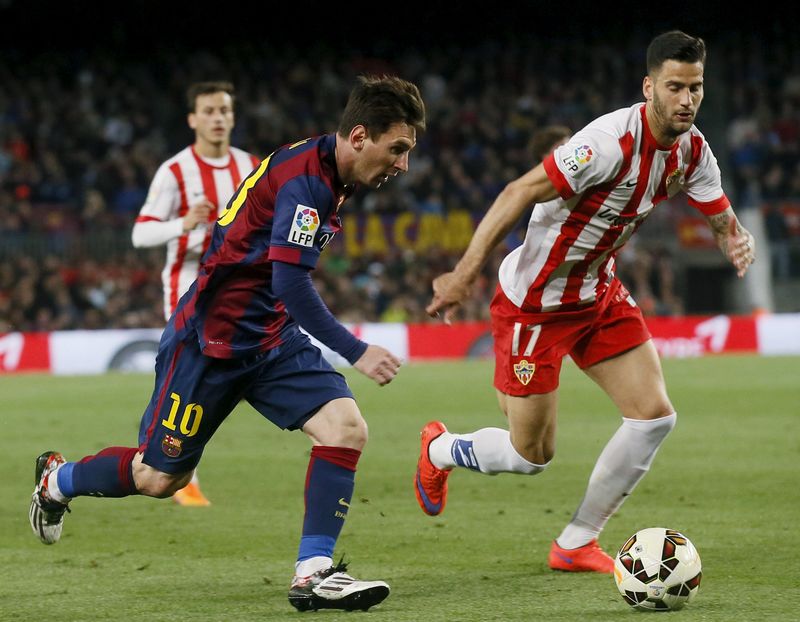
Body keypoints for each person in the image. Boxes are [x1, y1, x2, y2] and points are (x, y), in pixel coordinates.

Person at [30, 74, 426, 612]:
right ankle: (59, 480)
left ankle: (313, 572)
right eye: (397, 148)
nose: (403, 164)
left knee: (345, 428)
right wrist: (357, 350)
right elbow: (290, 281)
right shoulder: (307, 184)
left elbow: (278, 282)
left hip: (270, 338)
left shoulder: (332, 171)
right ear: (360, 135)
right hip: (209, 343)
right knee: (159, 477)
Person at [415, 31, 755, 574]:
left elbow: (717, 209)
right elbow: (517, 192)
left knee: (653, 417)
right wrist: (462, 274)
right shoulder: (605, 142)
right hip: (536, 306)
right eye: (675, 87)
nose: (687, 99)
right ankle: (440, 449)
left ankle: (576, 541)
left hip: (598, 295)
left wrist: (733, 236)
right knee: (531, 458)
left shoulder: (693, 150)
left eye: (696, 88)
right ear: (650, 88)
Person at [131, 81, 260, 506]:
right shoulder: (175, 172)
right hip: (187, 289)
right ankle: (179, 476)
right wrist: (183, 224)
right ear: (192, 119)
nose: (218, 118)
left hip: (241, 292)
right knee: (189, 380)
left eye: (224, 110)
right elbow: (140, 232)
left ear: (233, 117)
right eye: (208, 111)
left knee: (233, 376)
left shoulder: (252, 166)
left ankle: (170, 465)